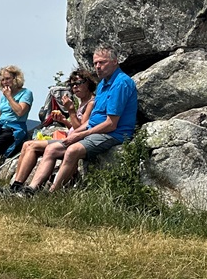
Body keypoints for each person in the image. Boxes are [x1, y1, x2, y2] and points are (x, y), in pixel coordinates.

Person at [19, 45, 138, 195]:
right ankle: (30, 189)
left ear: (115, 61)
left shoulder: (120, 83)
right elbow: (92, 120)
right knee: (52, 148)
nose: (98, 67)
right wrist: (75, 133)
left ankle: (52, 193)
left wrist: (80, 135)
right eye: (95, 63)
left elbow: (111, 124)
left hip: (114, 134)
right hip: (94, 131)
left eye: (102, 62)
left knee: (72, 150)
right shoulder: (102, 84)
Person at [7, 68, 97, 195]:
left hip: (76, 142)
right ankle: (16, 186)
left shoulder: (91, 103)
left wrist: (71, 110)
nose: (75, 87)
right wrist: (64, 121)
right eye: (72, 85)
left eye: (78, 83)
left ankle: (24, 188)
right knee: (27, 144)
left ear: (88, 83)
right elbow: (75, 126)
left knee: (32, 146)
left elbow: (81, 129)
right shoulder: (83, 101)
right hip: (70, 138)